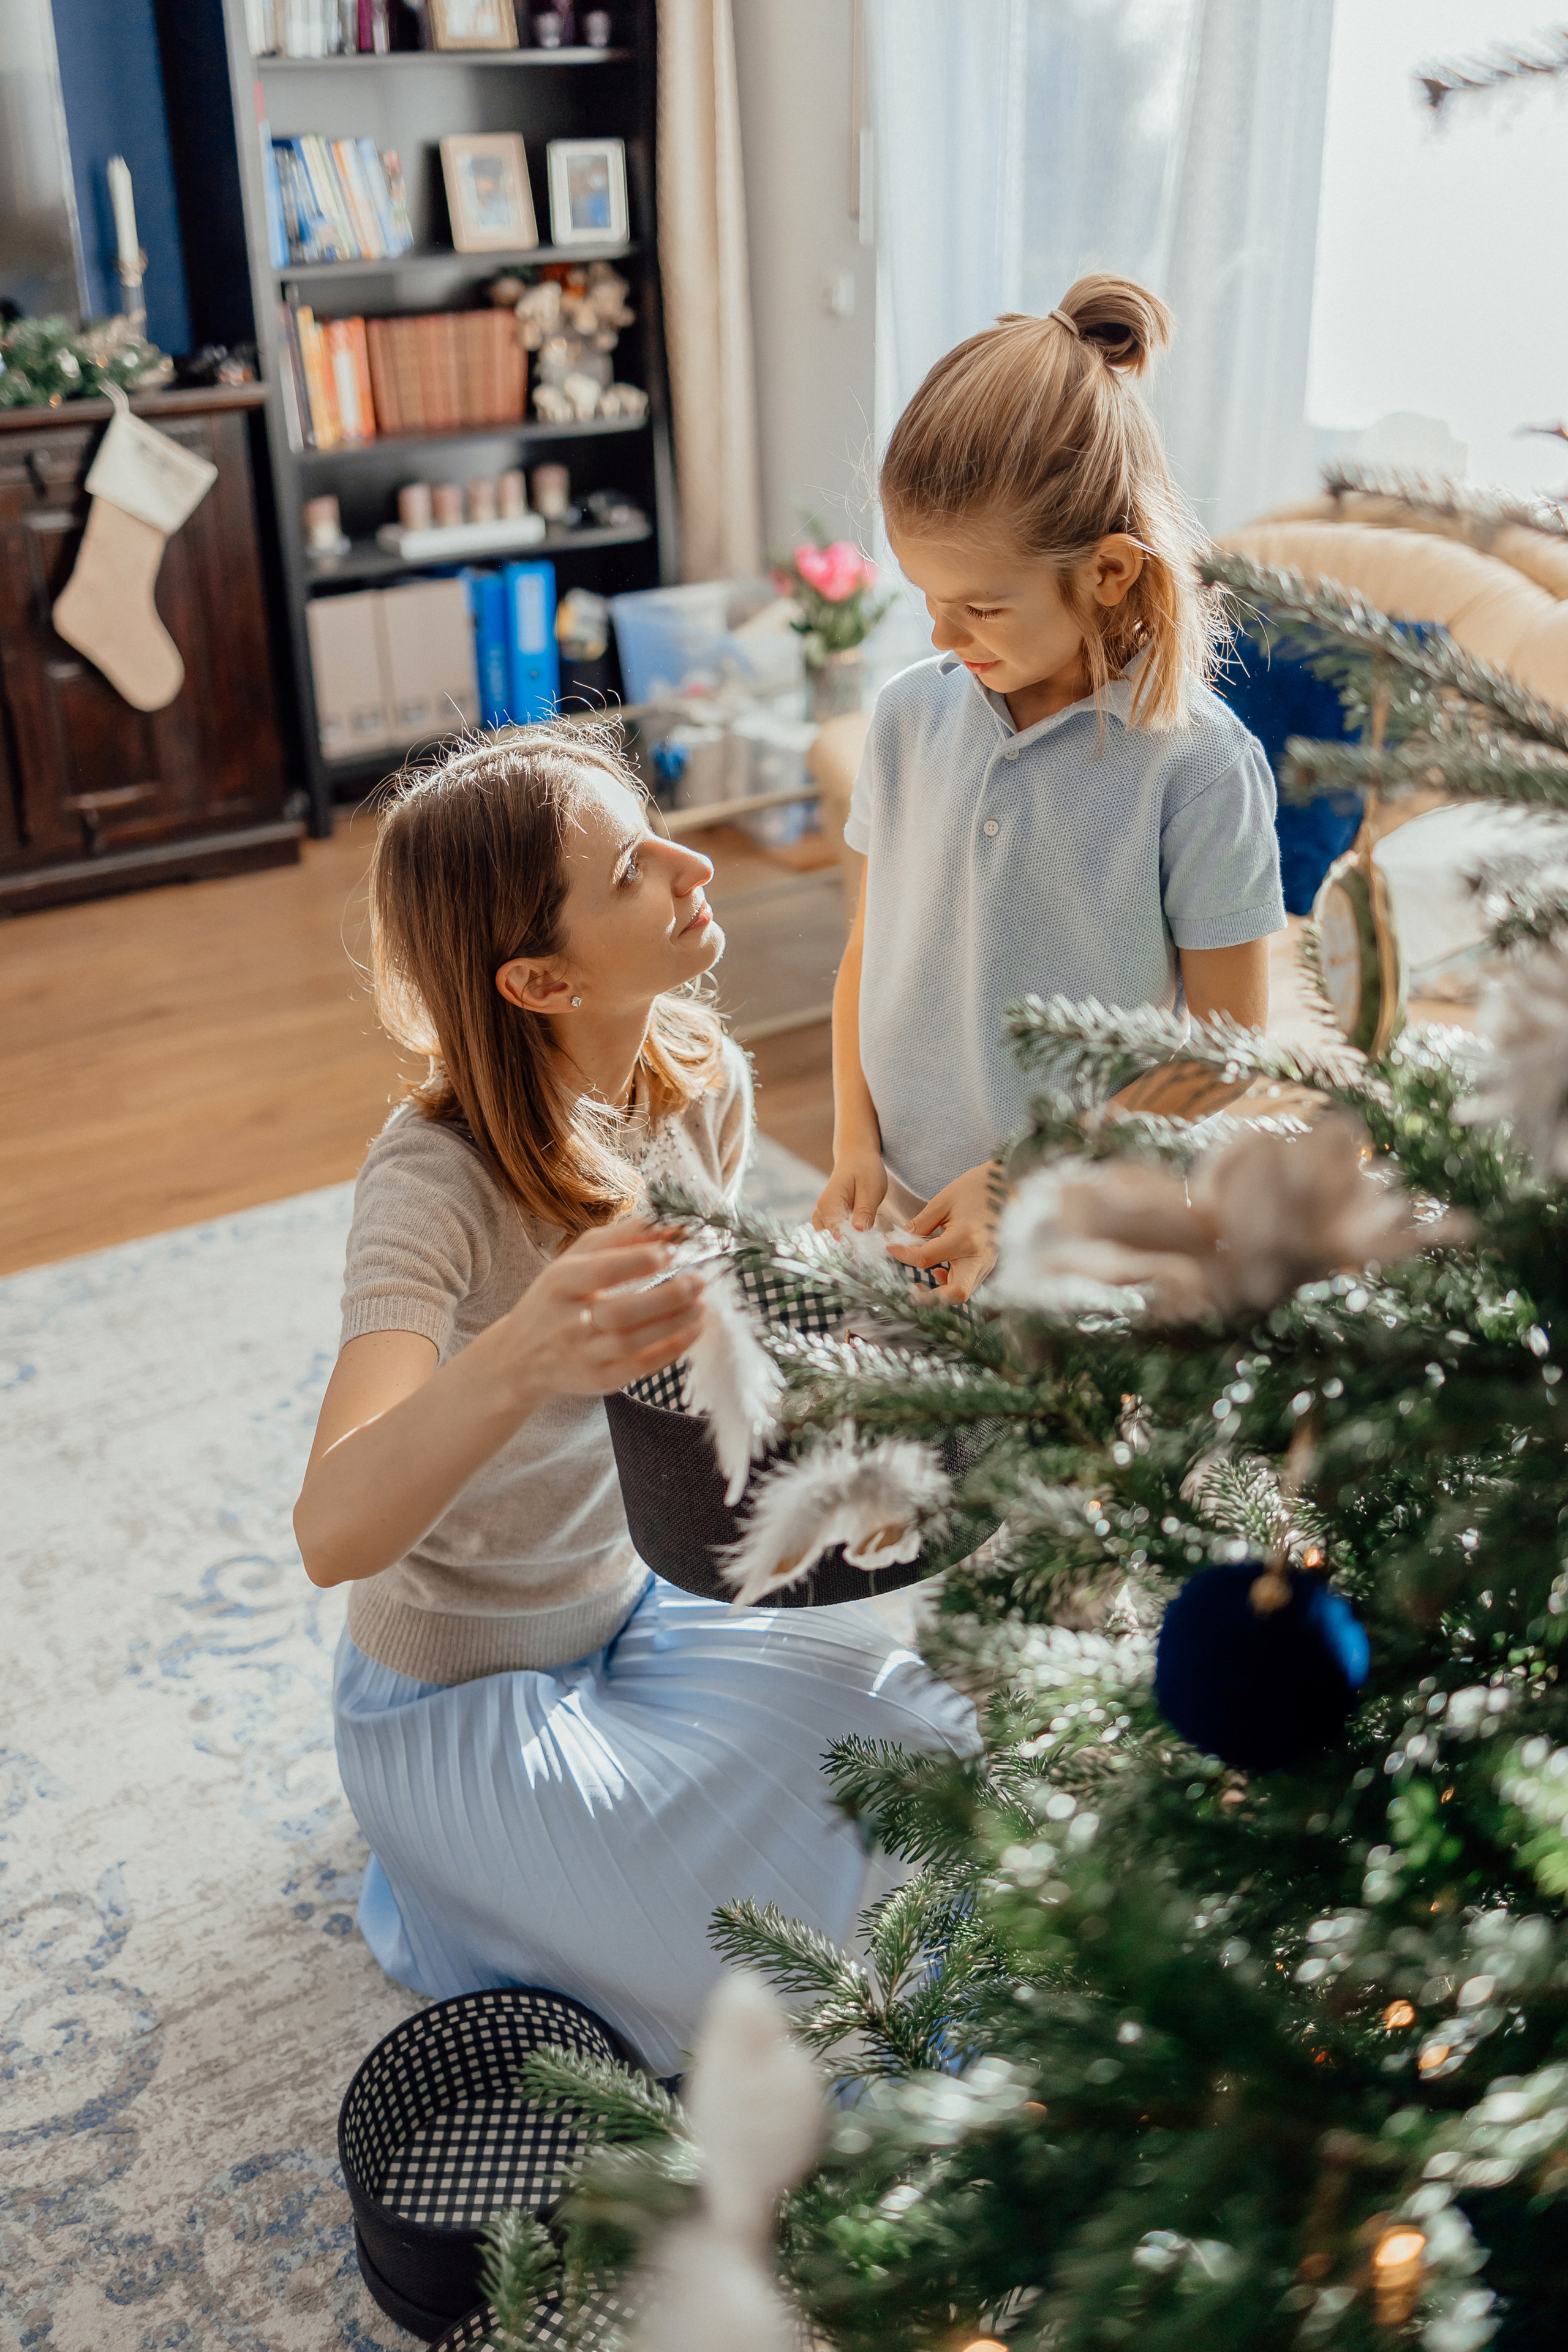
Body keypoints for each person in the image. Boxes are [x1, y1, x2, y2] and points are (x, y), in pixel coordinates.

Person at [293, 726, 973, 2076]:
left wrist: (882, 1301)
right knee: (750, 2003)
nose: (690, 862)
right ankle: (453, 1882)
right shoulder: (431, 1182)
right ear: (539, 979)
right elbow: (331, 1531)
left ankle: (571, 1854)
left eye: (656, 828)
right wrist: (526, 1354)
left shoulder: (696, 1085)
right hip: (455, 1694)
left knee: (940, 1764)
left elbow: (709, 1348)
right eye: (629, 871)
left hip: (638, 1610)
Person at [815, 274, 1287, 1298]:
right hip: (907, 1208)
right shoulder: (906, 716)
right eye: (928, 601)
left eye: (979, 607)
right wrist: (854, 1136)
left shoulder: (1199, 768)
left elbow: (1227, 1052)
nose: (942, 637)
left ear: (1112, 572)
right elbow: (869, 949)